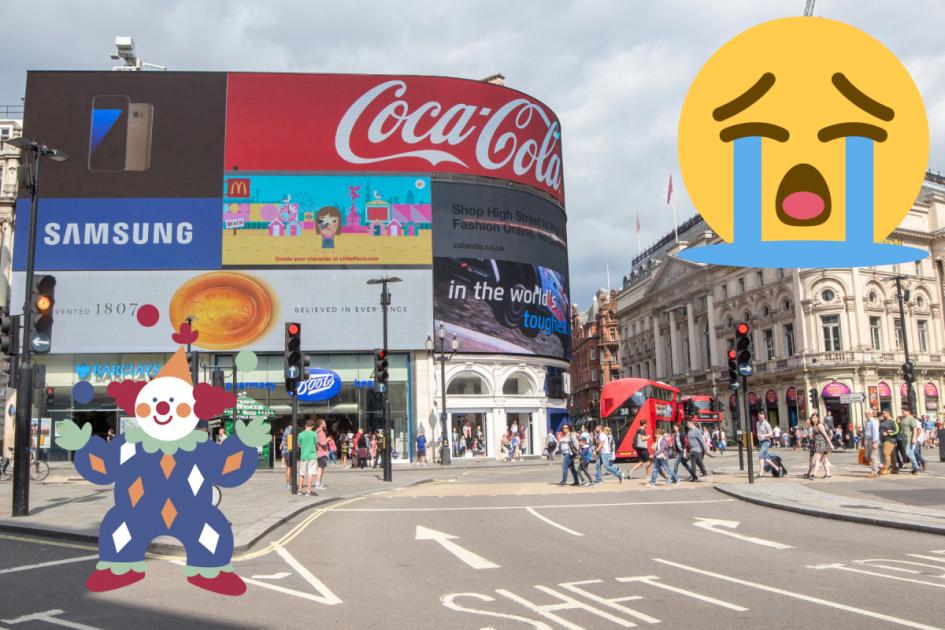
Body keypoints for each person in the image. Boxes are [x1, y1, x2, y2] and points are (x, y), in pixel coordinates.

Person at [807, 413, 833, 479]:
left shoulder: (819, 425)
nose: (814, 419)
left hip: (821, 444)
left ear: (818, 418)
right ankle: (828, 474)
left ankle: (814, 474)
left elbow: (825, 435)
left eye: (815, 417)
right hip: (817, 444)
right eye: (812, 417)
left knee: (816, 459)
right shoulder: (814, 425)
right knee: (822, 459)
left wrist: (830, 444)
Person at [899, 405, 921, 475]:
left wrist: (914, 438)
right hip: (904, 439)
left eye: (903, 411)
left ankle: (916, 467)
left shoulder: (911, 418)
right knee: (909, 453)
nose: (902, 412)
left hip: (910, 438)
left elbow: (914, 429)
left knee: (909, 453)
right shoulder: (903, 419)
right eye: (902, 411)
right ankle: (915, 468)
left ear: (907, 411)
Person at [298, 419, 318, 496]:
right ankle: (308, 491)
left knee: (302, 474)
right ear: (312, 426)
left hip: (303, 456)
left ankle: (299, 490)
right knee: (310, 474)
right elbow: (316, 444)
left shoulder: (300, 434)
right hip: (312, 456)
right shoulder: (314, 434)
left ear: (305, 426)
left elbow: (299, 445)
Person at [879, 410, 899, 475]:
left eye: (884, 413)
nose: (883, 415)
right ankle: (895, 469)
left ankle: (886, 469)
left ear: (888, 414)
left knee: (886, 453)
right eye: (882, 413)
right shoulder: (883, 421)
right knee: (892, 455)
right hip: (883, 440)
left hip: (890, 439)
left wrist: (888, 433)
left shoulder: (892, 421)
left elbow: (897, 431)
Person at [756, 412, 774, 479]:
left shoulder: (766, 424)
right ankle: (778, 469)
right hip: (761, 442)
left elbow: (771, 433)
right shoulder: (757, 423)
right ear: (758, 417)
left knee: (761, 456)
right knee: (766, 458)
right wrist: (759, 437)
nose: (762, 419)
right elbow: (758, 432)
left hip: (766, 441)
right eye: (761, 418)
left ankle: (761, 474)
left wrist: (764, 435)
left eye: (763, 417)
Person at [863, 410, 881, 478]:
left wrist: (875, 442)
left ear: (871, 414)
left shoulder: (873, 421)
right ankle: (880, 466)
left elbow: (875, 432)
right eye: (865, 414)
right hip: (868, 440)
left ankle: (874, 471)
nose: (866, 415)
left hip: (873, 440)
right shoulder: (867, 421)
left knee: (873, 456)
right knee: (867, 456)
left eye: (868, 413)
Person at [314, 419, 329, 490]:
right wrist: (328, 439)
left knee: (321, 467)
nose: (325, 424)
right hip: (322, 452)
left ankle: (319, 482)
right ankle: (317, 483)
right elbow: (323, 443)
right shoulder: (321, 432)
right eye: (324, 423)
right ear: (321, 424)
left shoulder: (317, 431)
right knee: (320, 468)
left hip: (318, 452)